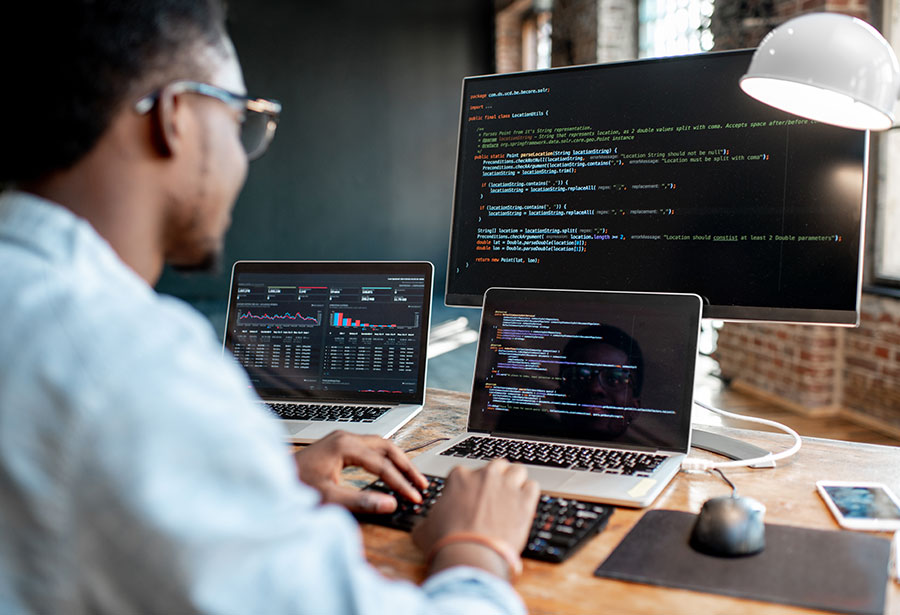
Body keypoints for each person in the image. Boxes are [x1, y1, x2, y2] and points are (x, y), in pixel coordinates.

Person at [0, 2, 539, 613]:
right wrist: (478, 549)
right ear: (175, 117)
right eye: (240, 122)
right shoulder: (133, 363)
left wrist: (262, 487)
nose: (242, 160)